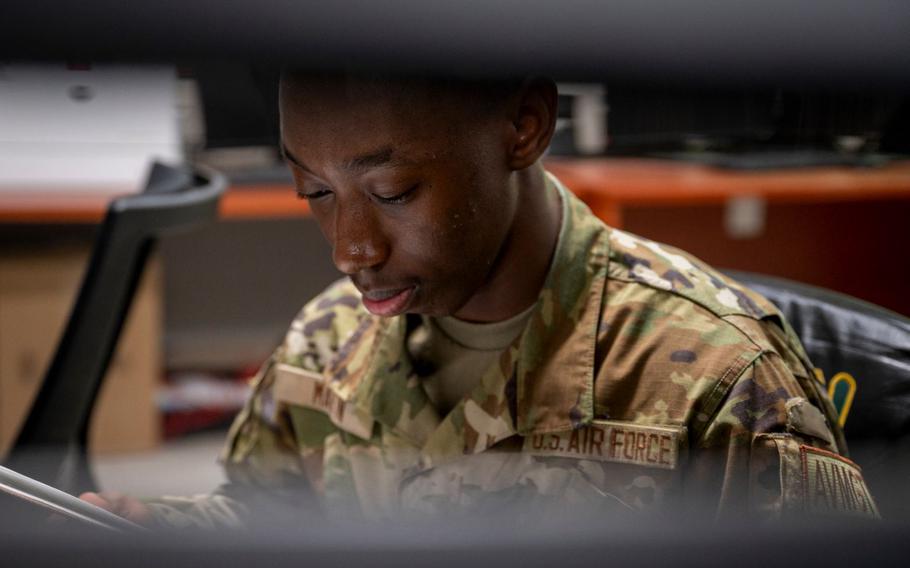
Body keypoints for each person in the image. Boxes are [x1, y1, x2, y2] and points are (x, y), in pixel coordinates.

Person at [82, 72, 878, 527]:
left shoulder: (715, 378)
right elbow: (268, 517)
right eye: (315, 191)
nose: (350, 248)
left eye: (392, 190)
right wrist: (161, 531)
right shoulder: (327, 342)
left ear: (524, 125)